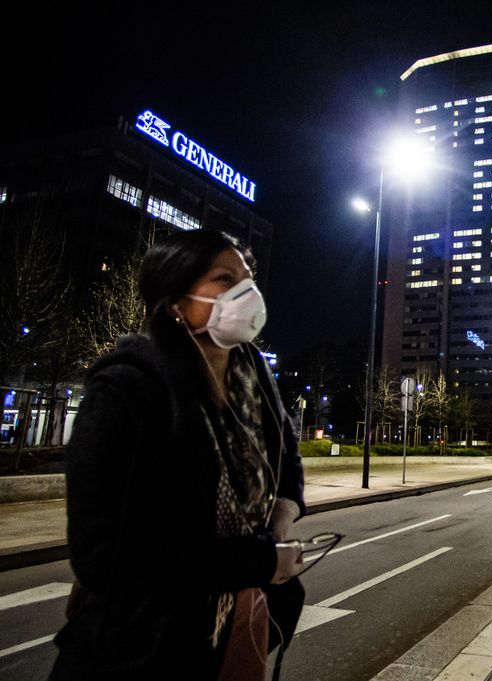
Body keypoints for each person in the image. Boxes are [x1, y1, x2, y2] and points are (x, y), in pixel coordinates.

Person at [51, 231, 305, 680]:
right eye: (224, 279)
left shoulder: (253, 375)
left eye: (247, 279)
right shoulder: (127, 390)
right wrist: (260, 561)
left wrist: (283, 511)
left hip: (230, 632)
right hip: (142, 649)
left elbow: (285, 448)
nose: (245, 293)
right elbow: (104, 558)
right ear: (174, 300)